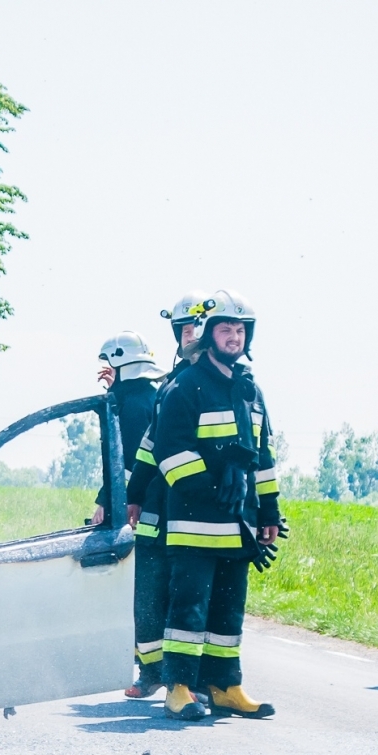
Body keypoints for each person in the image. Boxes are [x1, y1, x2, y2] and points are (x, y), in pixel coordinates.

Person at [152, 290, 282, 720]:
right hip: (195, 524)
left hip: (239, 525)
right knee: (188, 609)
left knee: (228, 611)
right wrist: (213, 485)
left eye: (240, 330)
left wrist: (268, 512)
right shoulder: (186, 386)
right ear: (209, 335)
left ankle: (225, 686)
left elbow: (263, 456)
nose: (234, 337)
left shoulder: (251, 390)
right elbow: (170, 453)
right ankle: (179, 689)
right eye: (225, 329)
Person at [122, 293, 213, 698]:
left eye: (198, 326)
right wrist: (134, 494)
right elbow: (149, 445)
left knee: (191, 600)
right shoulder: (170, 385)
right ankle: (152, 671)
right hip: (158, 511)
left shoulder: (225, 386)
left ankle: (195, 680)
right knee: (148, 594)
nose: (192, 334)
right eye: (185, 328)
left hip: (198, 513)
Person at [90, 331, 164, 527]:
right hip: (150, 499)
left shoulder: (133, 407)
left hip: (138, 506)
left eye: (112, 367)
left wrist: (107, 502)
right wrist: (115, 390)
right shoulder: (149, 396)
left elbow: (128, 462)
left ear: (122, 366)